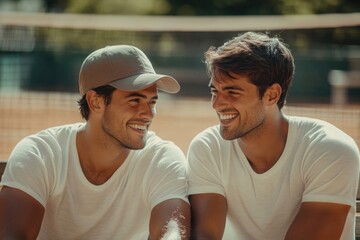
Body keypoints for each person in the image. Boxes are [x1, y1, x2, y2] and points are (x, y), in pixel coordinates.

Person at [0, 45, 190, 239]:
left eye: (152, 102)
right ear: (95, 102)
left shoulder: (162, 158)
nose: (149, 114)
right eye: (135, 100)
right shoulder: (39, 154)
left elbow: (173, 234)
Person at [187, 32, 360, 240]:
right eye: (215, 91)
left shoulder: (330, 149)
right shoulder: (207, 147)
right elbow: (205, 235)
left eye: (232, 92)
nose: (216, 103)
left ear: (271, 95)